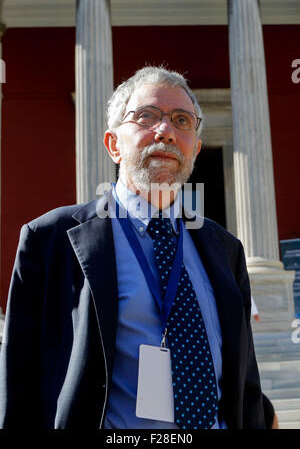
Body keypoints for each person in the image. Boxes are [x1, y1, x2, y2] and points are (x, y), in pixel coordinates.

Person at [0, 66, 277, 429]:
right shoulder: (50, 239)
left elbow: (244, 377)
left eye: (182, 120)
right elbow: (20, 385)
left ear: (194, 147)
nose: (165, 131)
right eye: (147, 116)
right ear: (113, 144)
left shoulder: (225, 248)